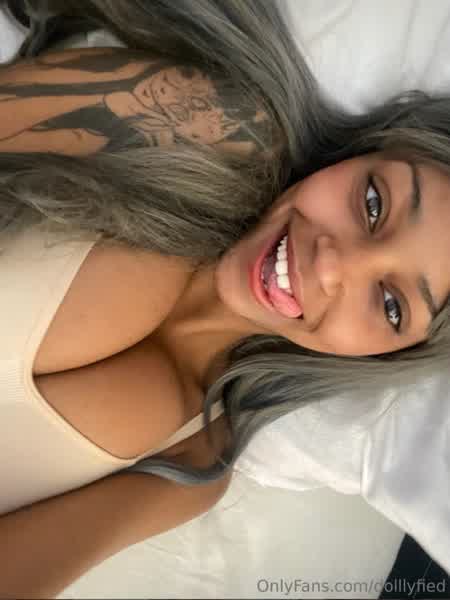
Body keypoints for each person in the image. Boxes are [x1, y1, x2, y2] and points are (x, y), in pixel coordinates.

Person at [1, 0, 450, 596]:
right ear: (361, 153)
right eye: (373, 203)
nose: (334, 264)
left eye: (391, 305)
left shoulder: (194, 464)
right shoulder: (212, 127)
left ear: (387, 354)